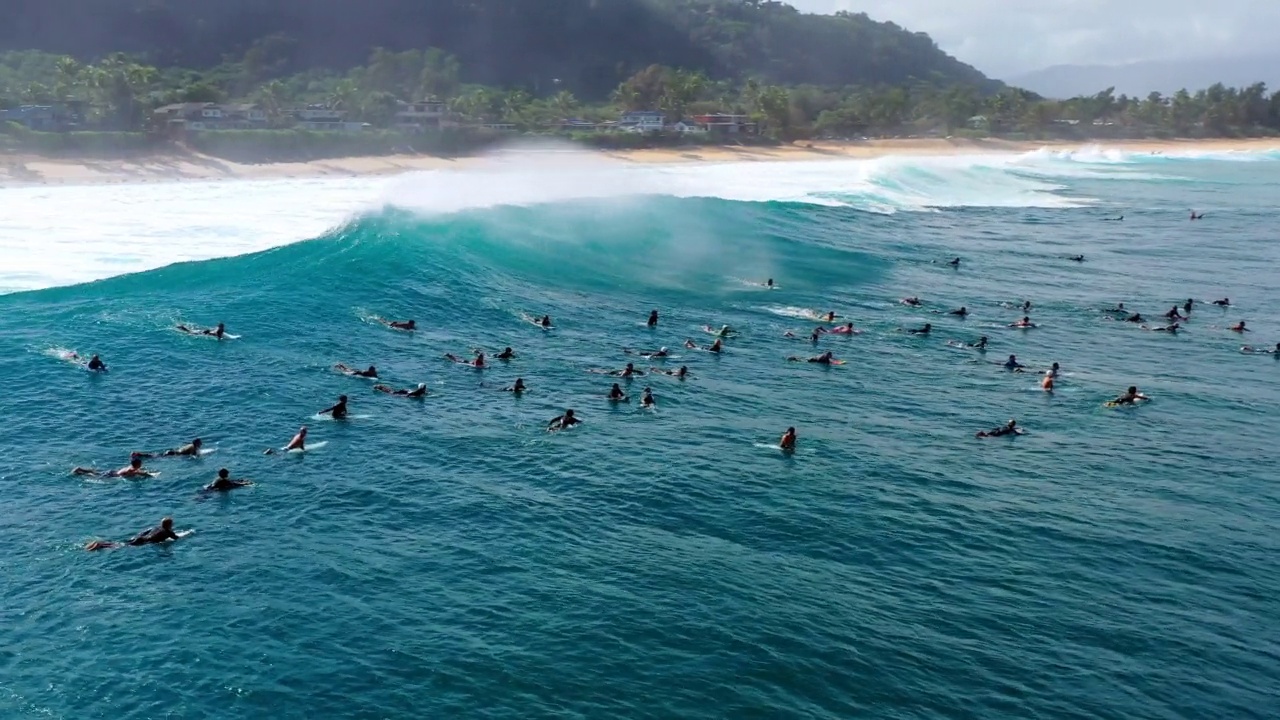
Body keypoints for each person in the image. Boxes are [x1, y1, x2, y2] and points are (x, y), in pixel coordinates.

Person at [85, 517, 180, 551]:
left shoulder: (155, 527)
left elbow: (143, 532)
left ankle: (101, 543)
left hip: (140, 538)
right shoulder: (168, 532)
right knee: (122, 547)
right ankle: (100, 545)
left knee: (124, 544)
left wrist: (137, 537)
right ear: (170, 525)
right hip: (145, 542)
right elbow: (176, 538)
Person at [73, 454, 156, 479]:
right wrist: (152, 476)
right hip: (112, 475)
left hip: (113, 472)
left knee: (95, 472)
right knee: (95, 476)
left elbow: (140, 471)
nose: (141, 464)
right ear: (137, 464)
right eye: (140, 463)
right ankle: (79, 472)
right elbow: (143, 474)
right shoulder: (132, 469)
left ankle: (81, 469)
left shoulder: (131, 467)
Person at [137, 437, 203, 458]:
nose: (201, 443)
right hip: (173, 453)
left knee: (157, 455)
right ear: (197, 443)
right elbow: (192, 456)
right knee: (155, 457)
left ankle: (140, 454)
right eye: (200, 442)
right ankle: (140, 454)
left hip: (172, 452)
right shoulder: (193, 447)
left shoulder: (191, 445)